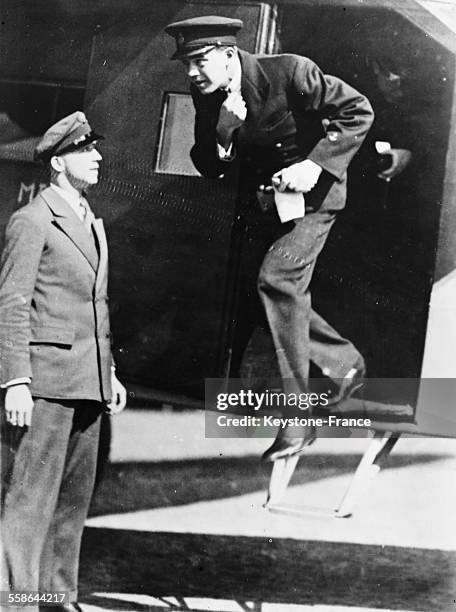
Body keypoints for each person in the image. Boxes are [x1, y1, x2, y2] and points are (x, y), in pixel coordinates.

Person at [165, 16, 374, 461]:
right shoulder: (210, 96)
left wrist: (315, 165)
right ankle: (344, 363)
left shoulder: (291, 72)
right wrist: (222, 130)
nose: (191, 73)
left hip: (314, 200)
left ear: (227, 54)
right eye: (186, 63)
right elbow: (208, 163)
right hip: (270, 205)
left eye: (199, 61)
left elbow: (358, 110)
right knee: (273, 293)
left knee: (276, 280)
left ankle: (298, 420)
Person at [0, 111, 127, 611]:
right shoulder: (32, 220)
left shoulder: (89, 218)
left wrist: (110, 372)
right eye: (85, 150)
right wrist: (15, 381)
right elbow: (11, 303)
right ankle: (17, 603)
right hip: (47, 384)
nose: (97, 157)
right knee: (30, 502)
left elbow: (95, 306)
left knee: (73, 503)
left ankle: (56, 597)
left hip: (88, 381)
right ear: (58, 162)